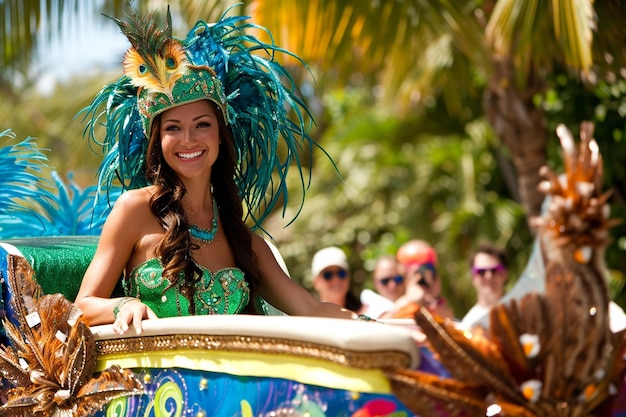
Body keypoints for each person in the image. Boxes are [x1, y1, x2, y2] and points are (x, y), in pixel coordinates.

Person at [74, 6, 358, 335]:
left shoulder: (244, 242)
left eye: (202, 125)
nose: (188, 139)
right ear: (159, 141)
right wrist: (123, 304)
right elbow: (83, 304)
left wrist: (384, 328)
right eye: (173, 128)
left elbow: (310, 308)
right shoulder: (135, 209)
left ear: (221, 137)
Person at [383, 239, 454, 319]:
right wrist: (408, 301)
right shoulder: (393, 308)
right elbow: (380, 326)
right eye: (416, 273)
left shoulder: (440, 307)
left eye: (429, 270)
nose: (422, 278)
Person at [460, 243, 509, 328]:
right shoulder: (468, 325)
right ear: (472, 277)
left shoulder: (524, 310)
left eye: (494, 270)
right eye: (481, 272)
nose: (488, 276)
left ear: (504, 273)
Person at [311, 246, 364, 313]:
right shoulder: (306, 319)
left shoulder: (369, 313)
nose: (336, 280)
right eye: (328, 275)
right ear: (316, 282)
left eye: (341, 273)